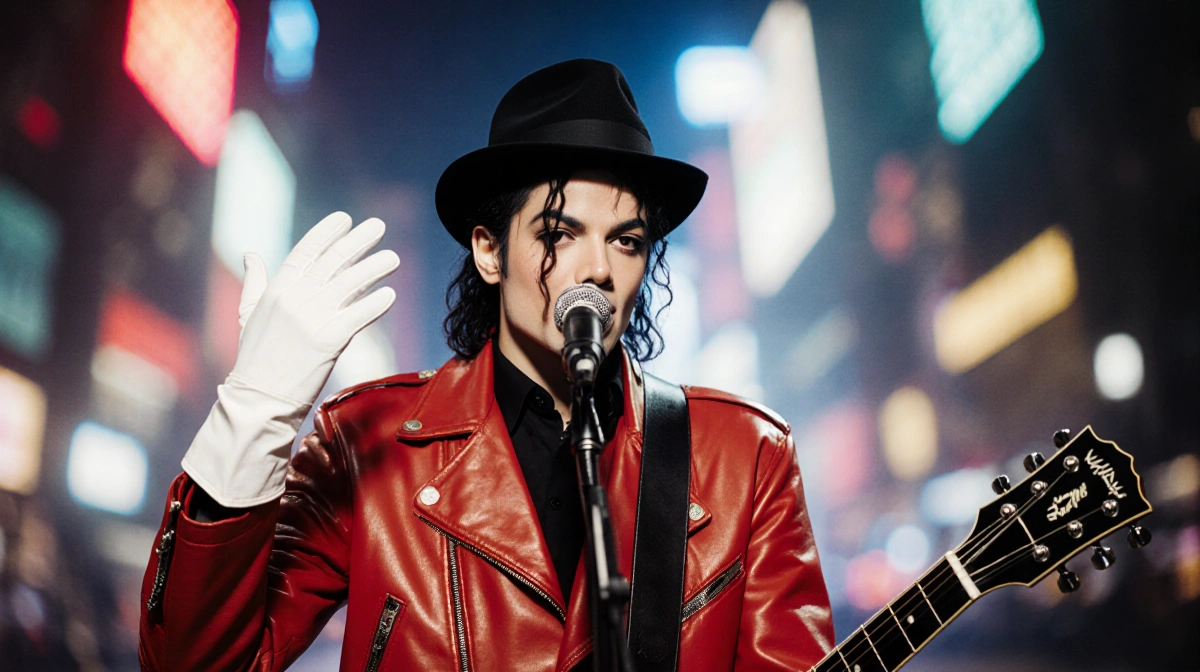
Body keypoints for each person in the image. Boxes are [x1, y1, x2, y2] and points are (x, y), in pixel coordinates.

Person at [138, 59, 832, 671]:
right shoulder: (367, 443)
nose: (598, 269)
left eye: (626, 240)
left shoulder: (747, 458)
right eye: (561, 232)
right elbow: (191, 664)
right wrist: (253, 412)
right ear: (489, 251)